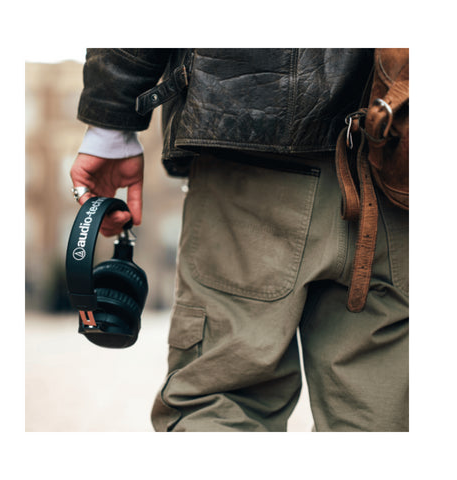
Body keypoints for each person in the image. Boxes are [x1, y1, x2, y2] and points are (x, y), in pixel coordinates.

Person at [70, 48, 409, 432]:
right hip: (396, 163)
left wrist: (110, 124)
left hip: (250, 142)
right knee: (379, 418)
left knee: (222, 403)